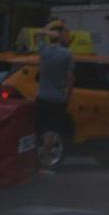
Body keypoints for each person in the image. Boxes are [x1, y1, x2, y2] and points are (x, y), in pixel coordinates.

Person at [35, 19, 74, 171]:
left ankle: (36, 157)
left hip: (42, 96)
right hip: (58, 99)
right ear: (60, 36)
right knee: (52, 129)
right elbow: (70, 77)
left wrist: (47, 30)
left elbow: (38, 35)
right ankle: (45, 159)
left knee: (40, 128)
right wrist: (68, 94)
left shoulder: (44, 50)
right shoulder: (67, 54)